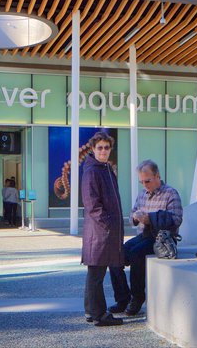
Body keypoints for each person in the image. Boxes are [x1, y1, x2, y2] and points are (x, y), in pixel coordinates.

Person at [110, 159, 183, 318]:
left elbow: (176, 219)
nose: (145, 185)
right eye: (142, 182)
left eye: (147, 181)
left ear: (157, 176)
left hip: (162, 238)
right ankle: (123, 298)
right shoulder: (142, 194)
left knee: (137, 254)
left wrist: (150, 218)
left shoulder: (171, 193)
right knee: (114, 255)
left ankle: (137, 297)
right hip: (144, 235)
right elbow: (132, 215)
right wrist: (136, 218)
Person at [80, 132, 126, 327]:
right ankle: (99, 314)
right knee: (97, 273)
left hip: (104, 231)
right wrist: (108, 224)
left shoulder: (105, 169)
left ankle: (91, 311)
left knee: (95, 273)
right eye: (100, 148)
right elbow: (92, 204)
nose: (104, 151)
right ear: (93, 149)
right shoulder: (93, 171)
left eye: (107, 148)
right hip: (100, 232)